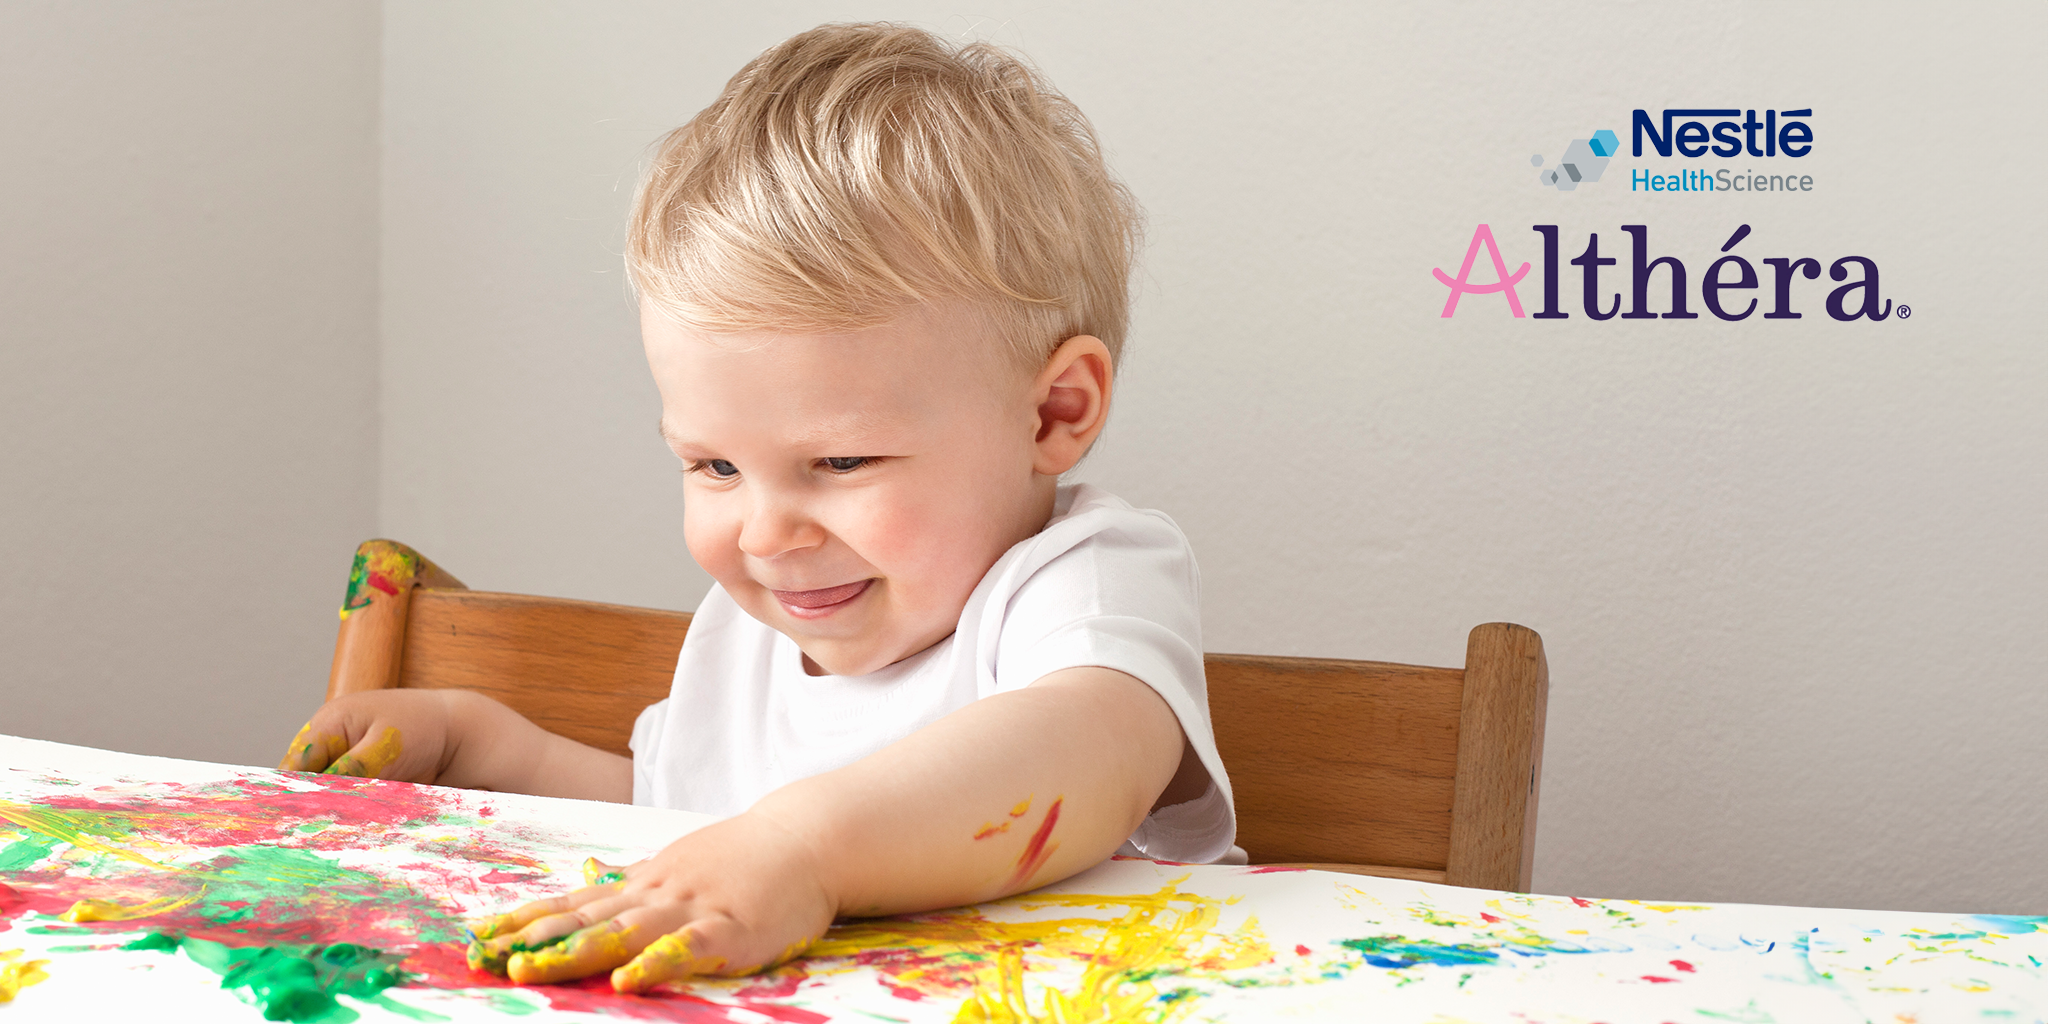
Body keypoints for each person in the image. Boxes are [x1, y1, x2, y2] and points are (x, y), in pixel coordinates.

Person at [279, 22, 1237, 994]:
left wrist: (801, 851)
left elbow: (1085, 746)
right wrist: (486, 743)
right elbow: (686, 823)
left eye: (839, 458)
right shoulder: (755, 632)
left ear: (1051, 412)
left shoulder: (1081, 581)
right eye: (713, 466)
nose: (767, 532)